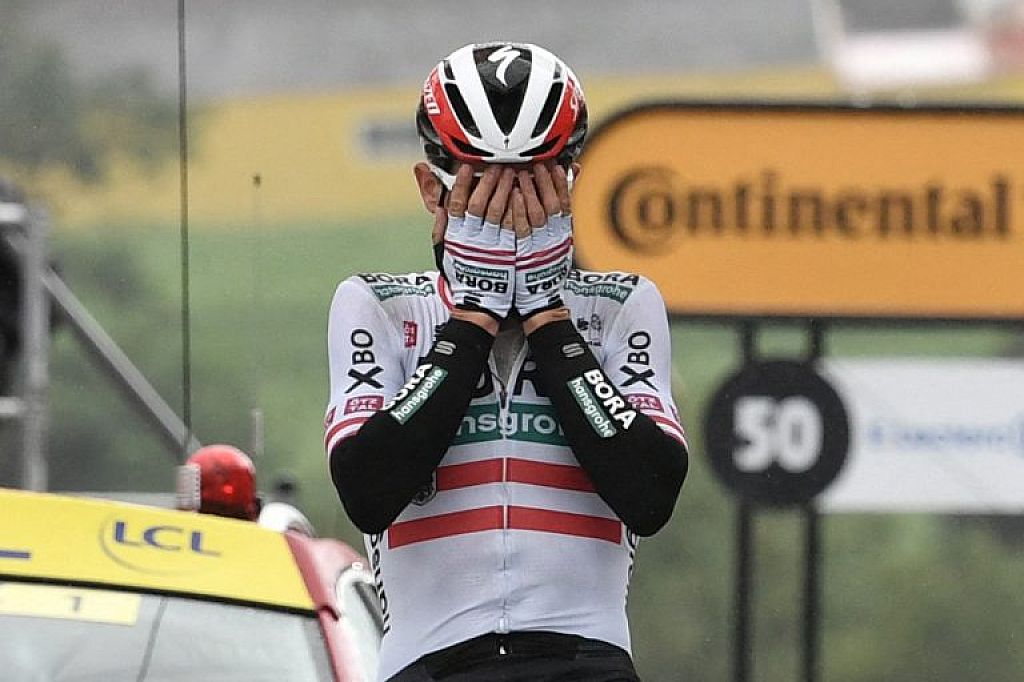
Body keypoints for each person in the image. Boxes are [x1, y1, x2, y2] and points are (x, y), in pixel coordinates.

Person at [324, 42, 688, 682]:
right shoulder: (377, 305)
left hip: (586, 660)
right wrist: (471, 319)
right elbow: (367, 489)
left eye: (532, 184)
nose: (510, 212)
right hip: (430, 664)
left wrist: (550, 316)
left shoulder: (621, 305)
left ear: (571, 188)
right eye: (485, 185)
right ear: (429, 191)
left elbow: (650, 494)